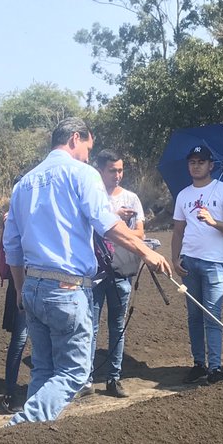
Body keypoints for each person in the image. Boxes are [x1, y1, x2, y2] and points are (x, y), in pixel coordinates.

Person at [2, 118, 171, 426]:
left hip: (33, 285)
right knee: (75, 373)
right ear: (75, 138)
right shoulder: (82, 174)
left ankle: (30, 443)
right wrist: (146, 251)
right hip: (67, 288)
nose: (88, 156)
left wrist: (20, 290)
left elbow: (11, 245)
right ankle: (18, 427)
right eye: (88, 148)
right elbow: (106, 224)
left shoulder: (23, 183)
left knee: (44, 369)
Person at [171, 145, 223, 383]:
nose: (196, 165)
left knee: (213, 315)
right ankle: (199, 364)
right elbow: (178, 231)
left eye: (201, 161)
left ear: (211, 165)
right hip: (189, 260)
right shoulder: (183, 195)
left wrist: (212, 222)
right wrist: (174, 259)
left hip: (213, 262)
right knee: (193, 316)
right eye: (192, 162)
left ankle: (216, 367)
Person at [89, 150, 146, 398]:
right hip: (94, 272)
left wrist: (115, 228)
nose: (118, 175)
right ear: (100, 170)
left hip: (122, 271)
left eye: (120, 170)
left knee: (117, 327)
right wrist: (114, 221)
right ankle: (85, 380)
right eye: (112, 170)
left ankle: (114, 378)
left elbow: (141, 234)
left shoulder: (132, 199)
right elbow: (88, 229)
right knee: (89, 328)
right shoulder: (92, 196)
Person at [0, 210, 29, 413]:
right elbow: (10, 252)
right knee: (20, 338)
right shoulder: (11, 219)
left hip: (45, 280)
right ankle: (10, 392)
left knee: (48, 338)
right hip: (22, 282)